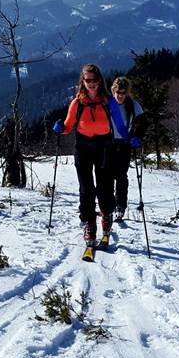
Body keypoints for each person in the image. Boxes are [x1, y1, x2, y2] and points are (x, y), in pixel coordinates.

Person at [52, 63, 114, 247]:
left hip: (104, 146)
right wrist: (60, 128)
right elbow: (68, 125)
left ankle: (106, 215)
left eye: (95, 80)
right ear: (83, 81)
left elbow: (119, 124)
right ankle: (89, 224)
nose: (92, 84)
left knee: (104, 187)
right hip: (83, 148)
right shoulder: (77, 103)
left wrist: (132, 135)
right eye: (88, 80)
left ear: (100, 80)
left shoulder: (108, 101)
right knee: (86, 189)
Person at [107, 76, 145, 221]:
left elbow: (142, 123)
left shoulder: (133, 106)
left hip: (124, 144)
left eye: (123, 93)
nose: (121, 96)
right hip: (108, 144)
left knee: (121, 176)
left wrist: (137, 136)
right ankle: (109, 205)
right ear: (113, 91)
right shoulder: (108, 104)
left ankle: (120, 206)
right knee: (107, 176)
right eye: (118, 93)